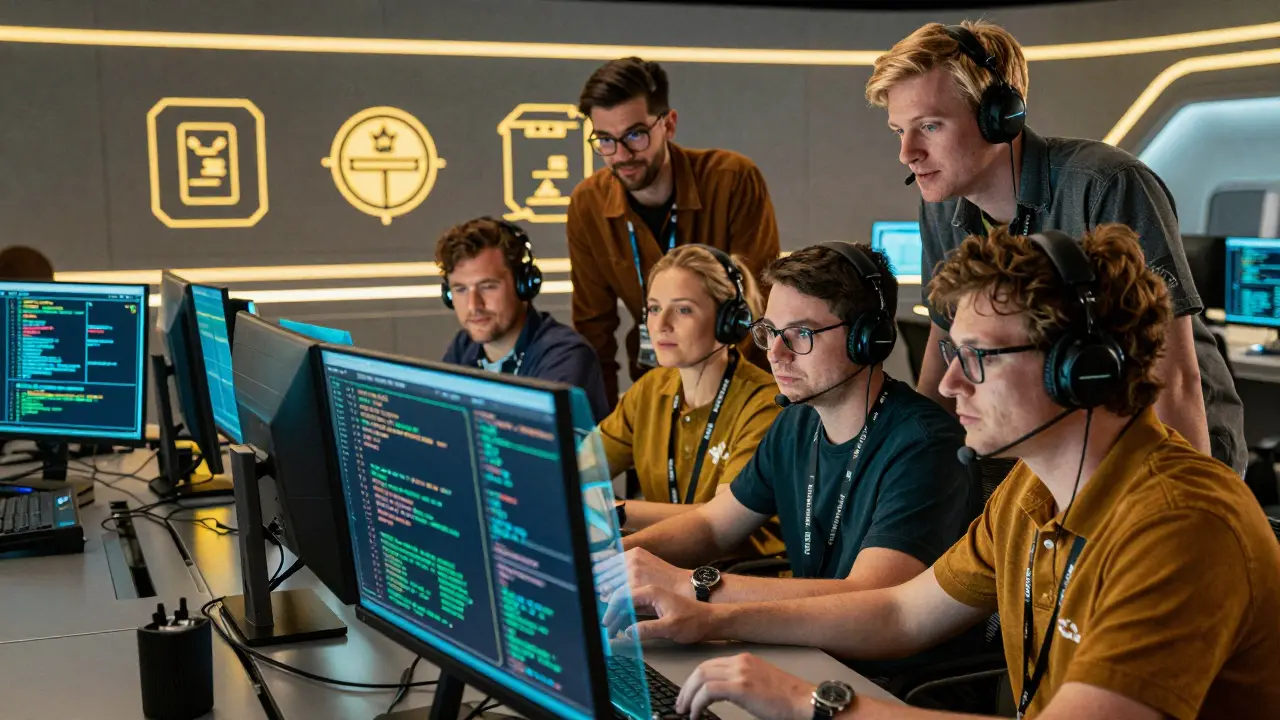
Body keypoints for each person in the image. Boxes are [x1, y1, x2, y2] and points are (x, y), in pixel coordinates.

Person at [610, 225, 1280, 720]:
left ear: (1079, 368)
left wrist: (812, 702)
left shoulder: (1181, 525)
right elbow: (903, 612)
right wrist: (710, 617)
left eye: (979, 357)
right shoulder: (1030, 488)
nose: (951, 382)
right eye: (953, 352)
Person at [865, 20, 1245, 475]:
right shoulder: (942, 206)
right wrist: (915, 470)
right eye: (897, 131)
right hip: (1055, 447)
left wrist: (1190, 503)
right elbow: (944, 341)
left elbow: (1173, 376)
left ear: (1000, 116)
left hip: (1164, 441)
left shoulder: (1106, 185)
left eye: (929, 126)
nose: (907, 152)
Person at [613, 243, 972, 618]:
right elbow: (713, 526)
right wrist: (611, 561)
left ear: (867, 339)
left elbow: (871, 596)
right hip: (799, 641)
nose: (774, 353)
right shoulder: (796, 422)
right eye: (769, 331)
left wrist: (689, 587)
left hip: (874, 672)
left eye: (801, 334)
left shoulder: (924, 445)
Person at [568, 56, 780, 408]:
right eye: (605, 140)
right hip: (655, 394)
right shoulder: (587, 203)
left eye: (634, 135)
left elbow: (756, 302)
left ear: (668, 124)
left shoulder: (731, 179)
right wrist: (606, 428)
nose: (620, 155)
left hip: (740, 392)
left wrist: (701, 387)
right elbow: (594, 335)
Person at [598, 244, 782, 556]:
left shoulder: (764, 404)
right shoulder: (649, 390)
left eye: (683, 309)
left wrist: (615, 510)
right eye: (654, 308)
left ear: (728, 320)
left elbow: (724, 520)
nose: (661, 324)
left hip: (741, 577)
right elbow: (579, 466)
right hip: (667, 567)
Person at [436, 217, 609, 422]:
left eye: (488, 286)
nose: (474, 305)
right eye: (461, 289)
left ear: (523, 285)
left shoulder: (565, 356)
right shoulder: (463, 348)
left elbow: (529, 446)